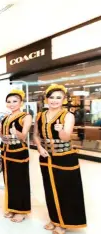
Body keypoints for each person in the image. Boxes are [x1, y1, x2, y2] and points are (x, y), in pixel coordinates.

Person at [33, 84, 87, 234]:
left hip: (65, 157)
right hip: (46, 157)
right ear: (46, 99)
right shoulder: (40, 115)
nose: (54, 100)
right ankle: (54, 219)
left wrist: (61, 130)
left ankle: (64, 222)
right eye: (51, 97)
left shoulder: (67, 115)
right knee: (50, 189)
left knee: (65, 190)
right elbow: (36, 135)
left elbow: (66, 136)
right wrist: (39, 147)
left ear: (64, 99)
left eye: (58, 97)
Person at [0, 90, 32, 222]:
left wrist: (15, 131)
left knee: (20, 181)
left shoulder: (26, 116)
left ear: (21, 102)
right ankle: (12, 208)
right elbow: (3, 137)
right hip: (6, 152)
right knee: (9, 181)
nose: (11, 104)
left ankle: (21, 211)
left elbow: (23, 137)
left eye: (15, 101)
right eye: (9, 102)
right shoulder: (6, 117)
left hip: (19, 152)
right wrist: (0, 130)